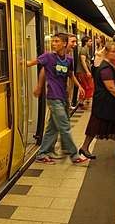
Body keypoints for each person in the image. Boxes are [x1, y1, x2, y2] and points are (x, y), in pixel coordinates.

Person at [28, 33, 89, 165]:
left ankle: (42, 153)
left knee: (53, 128)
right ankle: (74, 155)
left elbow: (70, 75)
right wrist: (17, 59)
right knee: (64, 126)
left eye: (56, 41)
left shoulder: (68, 59)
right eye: (53, 41)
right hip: (53, 97)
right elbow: (31, 63)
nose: (53, 43)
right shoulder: (48, 56)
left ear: (64, 44)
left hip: (63, 96)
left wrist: (79, 86)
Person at [79, 43, 115, 158]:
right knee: (96, 124)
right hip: (105, 102)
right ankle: (84, 147)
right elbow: (110, 87)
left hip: (114, 102)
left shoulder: (110, 66)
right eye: (113, 51)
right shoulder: (106, 68)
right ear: (106, 53)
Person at [76, 36, 94, 108]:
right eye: (90, 41)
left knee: (84, 86)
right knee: (90, 86)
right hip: (83, 71)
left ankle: (81, 102)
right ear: (86, 42)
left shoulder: (86, 50)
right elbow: (83, 61)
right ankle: (86, 101)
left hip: (83, 71)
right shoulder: (83, 50)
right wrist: (87, 71)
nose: (91, 42)